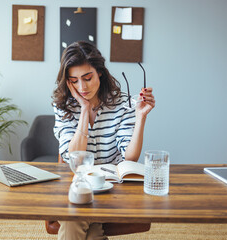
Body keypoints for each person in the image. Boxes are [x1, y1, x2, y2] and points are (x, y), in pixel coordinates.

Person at [52, 41, 155, 240]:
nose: (82, 87)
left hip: (110, 189)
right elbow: (74, 159)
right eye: (74, 81)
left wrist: (140, 118)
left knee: (75, 219)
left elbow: (129, 156)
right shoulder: (63, 107)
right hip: (77, 186)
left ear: (99, 72)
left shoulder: (121, 103)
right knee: (86, 229)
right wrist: (83, 110)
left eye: (87, 78)